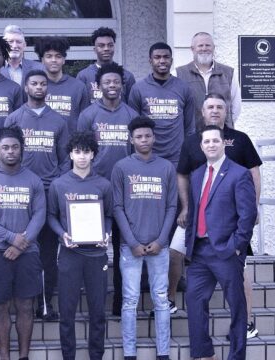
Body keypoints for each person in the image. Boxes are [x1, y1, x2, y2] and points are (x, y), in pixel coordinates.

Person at [170, 93, 262, 337]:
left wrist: (254, 207)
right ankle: (170, 300)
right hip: (198, 224)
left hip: (229, 225)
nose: (215, 110)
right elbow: (182, 174)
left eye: (219, 107)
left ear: (226, 110)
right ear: (202, 111)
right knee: (175, 252)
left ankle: (248, 320)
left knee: (240, 270)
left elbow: (254, 173)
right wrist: (186, 206)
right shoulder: (192, 142)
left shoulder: (240, 140)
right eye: (210, 106)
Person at [185, 125, 257, 360]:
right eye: (206, 142)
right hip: (200, 251)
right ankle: (204, 354)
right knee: (194, 302)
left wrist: (237, 245)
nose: (211, 145)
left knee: (237, 307)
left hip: (226, 250)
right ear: (201, 146)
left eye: (215, 141)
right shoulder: (196, 175)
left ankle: (236, 355)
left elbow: (248, 215)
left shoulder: (239, 173)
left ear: (223, 143)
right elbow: (196, 211)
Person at [0, 126, 46, 360]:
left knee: (26, 306)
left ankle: (23, 356)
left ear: (22, 150)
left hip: (28, 252)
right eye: (5, 147)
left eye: (15, 147)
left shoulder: (33, 180)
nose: (10, 151)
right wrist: (10, 238)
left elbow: (39, 215)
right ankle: (4, 356)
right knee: (0, 306)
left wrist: (20, 244)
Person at [4, 69, 69, 321]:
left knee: (47, 254)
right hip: (19, 194)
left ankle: (46, 303)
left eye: (43, 83)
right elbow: (4, 155)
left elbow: (65, 160)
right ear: (25, 87)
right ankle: (21, 303)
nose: (39, 87)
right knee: (21, 248)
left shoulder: (59, 121)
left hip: (48, 193)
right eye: (34, 83)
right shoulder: (14, 118)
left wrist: (56, 186)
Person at [111, 116, 177, 360]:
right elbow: (117, 206)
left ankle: (163, 352)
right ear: (131, 139)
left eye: (148, 135)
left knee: (160, 298)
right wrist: (132, 242)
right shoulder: (121, 168)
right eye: (139, 136)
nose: (144, 140)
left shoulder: (166, 167)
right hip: (131, 247)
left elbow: (172, 206)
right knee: (130, 300)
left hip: (159, 246)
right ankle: (130, 352)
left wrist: (161, 240)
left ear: (154, 137)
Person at [77, 62, 138, 316]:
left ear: (122, 85)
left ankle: (120, 301)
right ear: (98, 86)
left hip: (125, 191)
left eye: (116, 82)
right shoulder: (89, 115)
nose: (111, 86)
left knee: (124, 247)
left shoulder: (132, 116)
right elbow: (79, 153)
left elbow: (137, 153)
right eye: (106, 82)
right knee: (94, 247)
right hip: (96, 190)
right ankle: (94, 301)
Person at [47, 131, 112, 360]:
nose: (82, 156)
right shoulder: (59, 185)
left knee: (97, 313)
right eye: (77, 152)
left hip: (96, 255)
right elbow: (51, 216)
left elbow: (109, 215)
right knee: (67, 312)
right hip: (69, 254)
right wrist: (62, 234)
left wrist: (106, 233)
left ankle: (96, 356)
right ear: (71, 155)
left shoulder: (103, 185)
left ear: (93, 154)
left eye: (86, 152)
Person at [128, 42, 196, 167]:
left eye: (166, 57)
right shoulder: (138, 88)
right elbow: (133, 126)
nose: (162, 61)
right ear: (150, 61)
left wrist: (188, 154)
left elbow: (189, 127)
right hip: (147, 156)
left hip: (177, 157)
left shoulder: (184, 88)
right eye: (157, 57)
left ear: (172, 60)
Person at [176, 32, 241, 130]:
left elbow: (236, 107)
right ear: (192, 49)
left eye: (208, 45)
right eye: (200, 45)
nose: (204, 48)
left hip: (222, 136)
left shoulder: (229, 73)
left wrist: (223, 124)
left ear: (213, 48)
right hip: (191, 135)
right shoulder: (178, 74)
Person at [34, 36, 89, 133]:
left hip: (71, 145)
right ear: (42, 60)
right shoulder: (35, 87)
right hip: (43, 144)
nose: (54, 60)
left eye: (58, 56)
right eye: (49, 56)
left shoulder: (78, 87)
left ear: (64, 60)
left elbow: (85, 121)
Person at [77, 27, 136, 104]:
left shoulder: (127, 76)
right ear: (95, 49)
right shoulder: (83, 76)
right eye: (101, 46)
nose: (106, 49)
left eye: (110, 45)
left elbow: (132, 109)